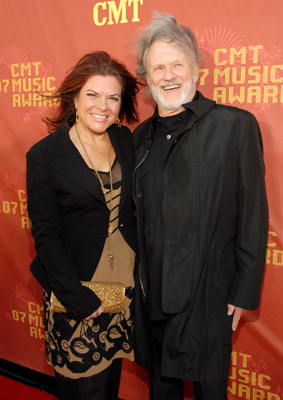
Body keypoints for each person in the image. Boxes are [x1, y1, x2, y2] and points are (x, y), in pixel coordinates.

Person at [132, 12, 268, 400]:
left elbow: (254, 214)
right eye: (159, 67)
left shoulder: (234, 126)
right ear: (147, 76)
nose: (169, 75)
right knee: (162, 391)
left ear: (196, 68)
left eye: (178, 64)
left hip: (209, 297)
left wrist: (243, 292)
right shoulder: (140, 137)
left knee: (211, 393)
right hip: (154, 296)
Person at [26, 51, 139, 400]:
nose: (102, 106)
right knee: (82, 385)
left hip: (125, 282)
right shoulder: (44, 155)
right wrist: (76, 298)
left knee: (111, 377)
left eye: (112, 97)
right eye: (92, 94)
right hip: (75, 287)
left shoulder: (125, 141)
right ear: (74, 97)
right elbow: (46, 235)